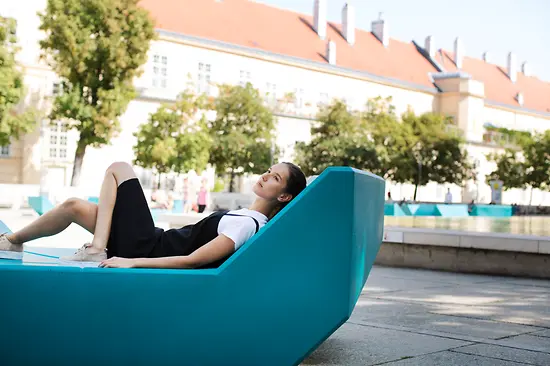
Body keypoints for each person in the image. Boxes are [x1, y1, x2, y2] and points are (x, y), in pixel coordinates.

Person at [0, 162, 306, 269]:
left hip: (147, 248)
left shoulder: (248, 225)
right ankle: (11, 242)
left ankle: (96, 249)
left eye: (275, 178)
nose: (266, 176)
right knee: (74, 207)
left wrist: (132, 261)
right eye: (269, 171)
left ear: (284, 196)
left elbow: (194, 260)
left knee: (119, 168)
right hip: (152, 240)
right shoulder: (246, 215)